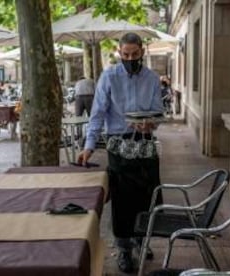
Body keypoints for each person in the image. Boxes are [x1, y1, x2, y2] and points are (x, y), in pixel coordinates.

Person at [77, 33, 163, 273]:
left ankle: (141, 240)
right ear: (119, 52)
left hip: (145, 141)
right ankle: (123, 250)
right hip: (118, 143)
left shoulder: (152, 78)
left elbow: (158, 111)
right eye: (125, 54)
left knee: (148, 196)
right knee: (123, 199)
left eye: (135, 54)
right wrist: (89, 146)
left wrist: (150, 122)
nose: (130, 58)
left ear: (142, 51)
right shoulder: (109, 76)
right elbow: (98, 113)